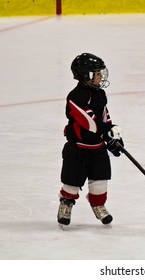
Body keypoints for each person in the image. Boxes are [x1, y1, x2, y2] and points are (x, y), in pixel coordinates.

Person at [57, 53, 123, 227]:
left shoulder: (100, 93)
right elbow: (90, 122)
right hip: (78, 148)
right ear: (86, 76)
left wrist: (112, 138)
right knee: (71, 181)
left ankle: (98, 205)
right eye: (97, 73)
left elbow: (104, 117)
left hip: (97, 148)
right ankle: (66, 204)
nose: (101, 76)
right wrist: (106, 130)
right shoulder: (75, 97)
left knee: (100, 180)